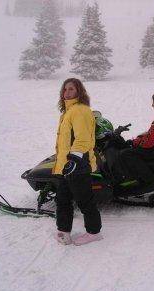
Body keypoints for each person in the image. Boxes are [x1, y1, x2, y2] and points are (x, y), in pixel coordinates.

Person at [52, 78, 102, 246]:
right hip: (65, 166)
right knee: (63, 200)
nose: (67, 92)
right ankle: (64, 232)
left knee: (85, 200)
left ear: (79, 91)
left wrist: (73, 160)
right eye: (65, 89)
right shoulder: (68, 112)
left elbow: (83, 138)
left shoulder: (80, 110)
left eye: (71, 89)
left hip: (77, 164)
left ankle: (94, 232)